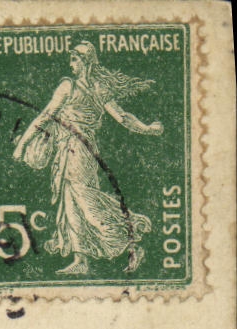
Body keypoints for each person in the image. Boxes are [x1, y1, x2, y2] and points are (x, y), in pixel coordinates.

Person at [12, 40, 163, 276]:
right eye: (71, 59)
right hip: (70, 150)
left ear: (86, 62)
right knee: (71, 204)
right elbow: (48, 117)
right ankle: (81, 259)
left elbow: (121, 117)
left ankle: (132, 243)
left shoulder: (72, 87)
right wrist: (147, 128)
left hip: (78, 150)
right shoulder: (91, 88)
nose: (71, 64)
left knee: (85, 201)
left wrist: (22, 145)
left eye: (75, 59)